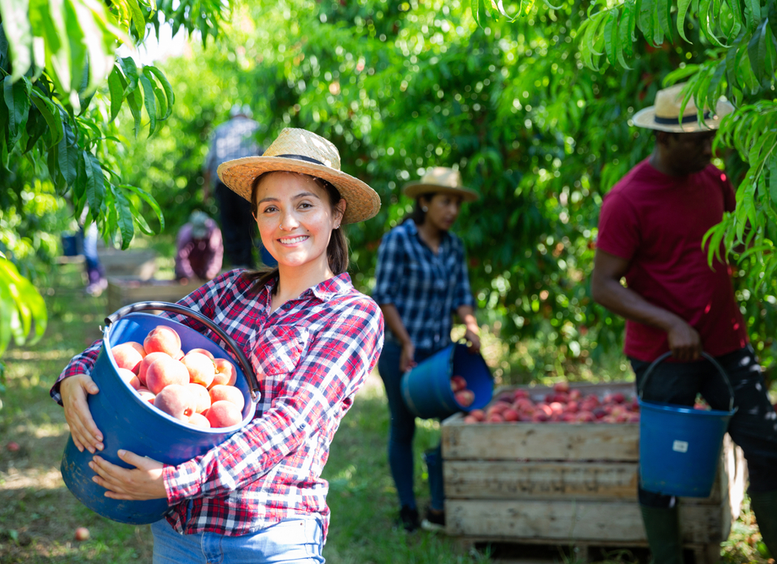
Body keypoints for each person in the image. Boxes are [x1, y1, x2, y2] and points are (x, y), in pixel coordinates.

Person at [51, 128, 384, 563]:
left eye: (305, 205)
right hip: (180, 535)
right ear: (257, 219)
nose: (287, 222)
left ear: (336, 213)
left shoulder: (352, 316)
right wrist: (79, 371)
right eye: (270, 209)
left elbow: (288, 425)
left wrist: (174, 482)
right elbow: (143, 335)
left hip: (270, 539)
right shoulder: (229, 290)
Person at [591, 83, 777, 563]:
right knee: (664, 470)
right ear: (665, 139)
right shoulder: (627, 199)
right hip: (663, 356)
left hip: (726, 344)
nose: (709, 147)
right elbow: (604, 285)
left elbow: (732, 244)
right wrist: (670, 322)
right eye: (698, 139)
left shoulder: (713, 181)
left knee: (767, 446)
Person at [372, 167, 481, 533]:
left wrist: (470, 325)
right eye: (445, 202)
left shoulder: (454, 246)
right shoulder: (398, 240)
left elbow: (463, 296)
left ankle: (440, 504)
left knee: (453, 423)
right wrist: (405, 341)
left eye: (456, 204)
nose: (452, 210)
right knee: (403, 427)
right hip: (400, 352)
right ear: (424, 202)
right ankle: (407, 508)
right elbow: (384, 298)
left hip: (439, 354)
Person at [203, 104, 262, 269]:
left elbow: (209, 161)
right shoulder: (256, 128)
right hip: (247, 183)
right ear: (247, 115)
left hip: (224, 182)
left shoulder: (220, 129)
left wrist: (206, 189)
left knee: (229, 222)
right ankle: (247, 263)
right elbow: (264, 157)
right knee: (248, 222)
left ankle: (236, 264)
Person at [174, 210, 224, 282]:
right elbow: (181, 259)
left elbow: (216, 254)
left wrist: (211, 272)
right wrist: (190, 276)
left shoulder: (213, 232)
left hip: (205, 268)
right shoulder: (184, 235)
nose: (200, 239)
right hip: (188, 271)